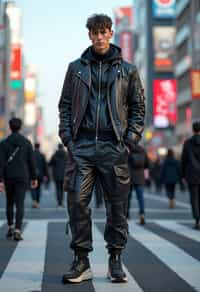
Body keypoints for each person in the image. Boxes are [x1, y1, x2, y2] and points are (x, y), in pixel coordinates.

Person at [58, 14, 145, 283]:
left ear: (111, 33)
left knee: (116, 207)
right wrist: (68, 138)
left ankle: (115, 259)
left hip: (113, 145)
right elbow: (65, 105)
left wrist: (130, 139)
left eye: (103, 32)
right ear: (89, 35)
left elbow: (138, 107)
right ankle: (81, 261)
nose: (98, 37)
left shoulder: (127, 70)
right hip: (81, 146)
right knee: (77, 204)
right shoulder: (76, 68)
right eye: (94, 33)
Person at [0, 118, 37, 241]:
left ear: (10, 127)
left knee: (9, 202)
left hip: (8, 176)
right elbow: (31, 162)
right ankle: (17, 229)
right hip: (22, 176)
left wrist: (0, 180)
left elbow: (0, 163)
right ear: (20, 127)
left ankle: (10, 227)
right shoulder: (26, 142)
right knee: (20, 203)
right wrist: (34, 177)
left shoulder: (3, 143)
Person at [181, 121, 200, 230]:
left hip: (192, 174)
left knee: (194, 198)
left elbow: (184, 160)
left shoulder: (187, 143)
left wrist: (183, 174)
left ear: (193, 130)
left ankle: (197, 220)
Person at [127, 144, 149, 224]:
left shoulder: (128, 150)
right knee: (140, 198)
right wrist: (146, 178)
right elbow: (147, 165)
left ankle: (127, 215)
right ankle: (142, 214)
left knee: (127, 198)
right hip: (140, 177)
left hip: (129, 177)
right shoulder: (142, 150)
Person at [30, 142, 49, 208]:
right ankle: (37, 201)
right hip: (40, 174)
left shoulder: (31, 155)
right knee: (38, 188)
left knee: (33, 188)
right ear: (39, 147)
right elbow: (45, 166)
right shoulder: (42, 155)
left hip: (32, 174)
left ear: (34, 147)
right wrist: (46, 175)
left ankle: (34, 200)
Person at [49, 143, 67, 207]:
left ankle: (59, 202)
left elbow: (50, 163)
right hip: (64, 174)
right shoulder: (66, 155)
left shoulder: (55, 155)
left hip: (56, 175)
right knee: (62, 189)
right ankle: (61, 202)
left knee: (57, 189)